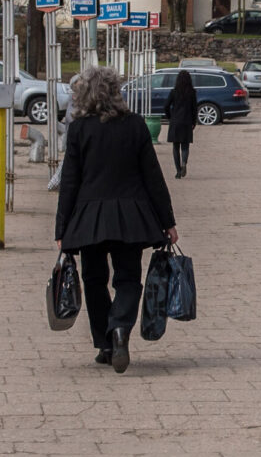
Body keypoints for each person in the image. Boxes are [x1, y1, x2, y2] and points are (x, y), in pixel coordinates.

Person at [54, 66, 178, 373]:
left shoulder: (79, 129)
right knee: (128, 279)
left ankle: (106, 344)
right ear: (116, 92)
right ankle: (120, 327)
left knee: (94, 280)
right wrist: (168, 221)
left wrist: (62, 228)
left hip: (89, 217)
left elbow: (69, 181)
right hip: (131, 217)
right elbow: (153, 177)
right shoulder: (135, 125)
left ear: (85, 94)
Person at [163, 69, 197, 179]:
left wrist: (170, 117)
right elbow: (194, 109)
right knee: (185, 146)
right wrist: (194, 122)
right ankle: (184, 163)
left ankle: (178, 171)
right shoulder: (192, 92)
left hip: (175, 121)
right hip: (187, 121)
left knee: (175, 147)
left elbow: (166, 106)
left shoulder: (174, 92)